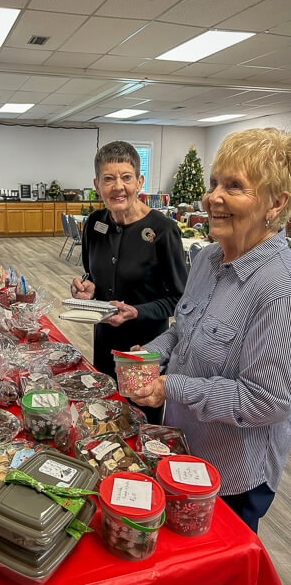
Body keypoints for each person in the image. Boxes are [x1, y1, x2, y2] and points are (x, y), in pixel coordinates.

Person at [130, 127, 291, 533]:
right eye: (214, 182)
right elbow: (183, 330)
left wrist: (172, 387)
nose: (213, 197)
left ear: (277, 203)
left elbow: (266, 402)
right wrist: (149, 353)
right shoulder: (207, 259)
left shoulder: (278, 289)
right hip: (185, 445)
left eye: (234, 186)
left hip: (234, 475)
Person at [71, 141, 187, 424]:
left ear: (140, 181)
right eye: (109, 179)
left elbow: (180, 300)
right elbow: (92, 275)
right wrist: (88, 288)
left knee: (138, 423)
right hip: (104, 342)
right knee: (102, 417)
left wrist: (138, 311)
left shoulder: (162, 230)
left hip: (143, 349)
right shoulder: (95, 224)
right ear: (97, 185)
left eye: (126, 177)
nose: (118, 187)